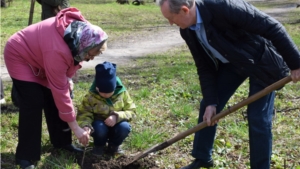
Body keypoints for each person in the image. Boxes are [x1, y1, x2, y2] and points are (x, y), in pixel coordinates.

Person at [158, 0, 300, 168]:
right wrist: (211, 101)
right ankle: (202, 157)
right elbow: (204, 66)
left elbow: (272, 27)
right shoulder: (188, 30)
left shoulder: (224, 7)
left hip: (261, 61)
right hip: (233, 63)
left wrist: (296, 63)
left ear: (184, 10)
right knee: (209, 105)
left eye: (171, 18)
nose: (171, 23)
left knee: (258, 117)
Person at [4, 7, 108, 169]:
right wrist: (76, 128)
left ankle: (62, 142)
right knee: (34, 102)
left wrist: (67, 78)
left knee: (53, 96)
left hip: (42, 55)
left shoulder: (83, 33)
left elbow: (67, 69)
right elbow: (60, 91)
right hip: (20, 55)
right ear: (84, 46)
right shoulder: (58, 50)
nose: (89, 59)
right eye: (90, 55)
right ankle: (25, 156)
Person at [76, 61, 136, 157]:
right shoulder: (91, 96)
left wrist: (117, 116)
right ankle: (99, 146)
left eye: (110, 92)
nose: (106, 95)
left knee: (124, 127)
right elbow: (84, 113)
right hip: (99, 125)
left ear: (115, 87)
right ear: (97, 88)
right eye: (102, 93)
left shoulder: (122, 93)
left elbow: (132, 111)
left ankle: (114, 146)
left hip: (117, 124)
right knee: (99, 129)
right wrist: (86, 126)